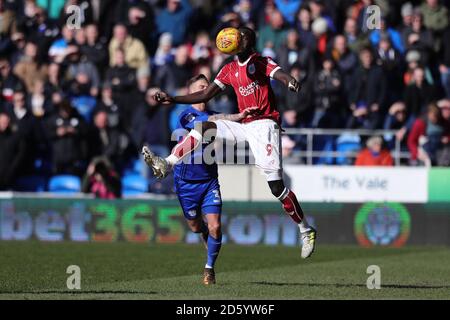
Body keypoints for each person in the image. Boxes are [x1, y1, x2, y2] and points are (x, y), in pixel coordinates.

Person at [143, 27, 317, 260]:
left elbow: (280, 74)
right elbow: (205, 96)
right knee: (202, 128)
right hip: (245, 123)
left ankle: (305, 229)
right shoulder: (229, 69)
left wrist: (290, 81)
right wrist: (172, 98)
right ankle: (167, 163)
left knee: (276, 187)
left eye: (243, 35)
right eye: (238, 35)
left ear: (250, 41)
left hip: (265, 125)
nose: (238, 37)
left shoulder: (260, 61)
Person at [149, 74, 257, 285]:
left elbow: (223, 122)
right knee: (196, 227)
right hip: (185, 182)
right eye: (201, 87)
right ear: (191, 92)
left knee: (216, 226)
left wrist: (241, 115)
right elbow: (207, 123)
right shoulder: (184, 115)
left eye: (207, 87)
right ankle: (203, 234)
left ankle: (209, 269)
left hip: (208, 180)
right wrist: (231, 117)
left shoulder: (214, 115)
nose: (206, 90)